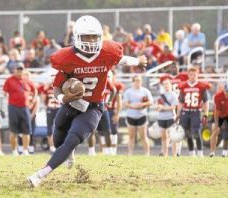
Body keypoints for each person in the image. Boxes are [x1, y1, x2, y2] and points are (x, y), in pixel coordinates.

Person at [27, 15, 147, 187]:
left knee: (72, 139)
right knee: (58, 133)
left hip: (93, 107)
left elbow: (122, 59)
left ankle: (40, 175)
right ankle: (69, 154)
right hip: (72, 103)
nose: (91, 41)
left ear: (100, 37)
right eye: (86, 36)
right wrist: (64, 98)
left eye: (94, 36)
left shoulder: (107, 52)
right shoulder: (67, 57)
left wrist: (138, 60)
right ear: (76, 37)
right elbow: (56, 87)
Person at [3, 63, 37, 156]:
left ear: (24, 70)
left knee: (27, 130)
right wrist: (6, 96)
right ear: (14, 69)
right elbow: (4, 91)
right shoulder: (9, 80)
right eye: (18, 69)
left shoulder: (27, 80)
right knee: (13, 131)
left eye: (21, 69)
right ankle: (14, 151)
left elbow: (35, 90)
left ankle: (25, 150)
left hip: (25, 108)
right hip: (13, 107)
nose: (19, 70)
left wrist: (33, 101)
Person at [176, 67, 210, 157]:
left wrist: (205, 114)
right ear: (188, 75)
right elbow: (180, 102)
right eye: (191, 74)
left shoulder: (201, 86)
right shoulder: (183, 86)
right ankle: (190, 153)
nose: (192, 76)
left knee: (196, 132)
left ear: (197, 75)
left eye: (194, 74)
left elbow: (206, 102)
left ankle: (200, 153)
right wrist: (178, 114)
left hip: (196, 112)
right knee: (186, 133)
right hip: (186, 112)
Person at [123, 75, 153, 155]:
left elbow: (151, 102)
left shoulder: (145, 91)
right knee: (131, 136)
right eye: (136, 80)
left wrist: (142, 104)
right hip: (131, 115)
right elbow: (125, 103)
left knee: (143, 136)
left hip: (141, 115)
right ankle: (130, 153)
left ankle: (147, 153)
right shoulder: (128, 92)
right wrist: (133, 106)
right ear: (133, 82)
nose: (138, 82)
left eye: (139, 80)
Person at [156, 79, 178, 156]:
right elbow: (157, 106)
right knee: (164, 137)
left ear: (170, 85)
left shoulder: (173, 95)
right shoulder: (161, 95)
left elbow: (173, 107)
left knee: (173, 137)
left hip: (170, 117)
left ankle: (174, 154)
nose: (166, 86)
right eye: (164, 84)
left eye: (167, 84)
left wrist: (163, 108)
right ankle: (165, 154)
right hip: (161, 117)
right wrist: (158, 107)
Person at [39, 80, 60, 153]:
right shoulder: (47, 87)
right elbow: (40, 91)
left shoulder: (61, 87)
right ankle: (51, 146)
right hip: (50, 108)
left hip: (59, 108)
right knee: (50, 127)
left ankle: (60, 145)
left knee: (61, 126)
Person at [107, 70, 124, 155]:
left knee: (113, 130)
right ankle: (105, 151)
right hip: (102, 109)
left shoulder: (117, 85)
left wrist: (117, 113)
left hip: (112, 109)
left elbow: (119, 101)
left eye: (110, 75)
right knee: (104, 130)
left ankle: (113, 151)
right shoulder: (102, 83)